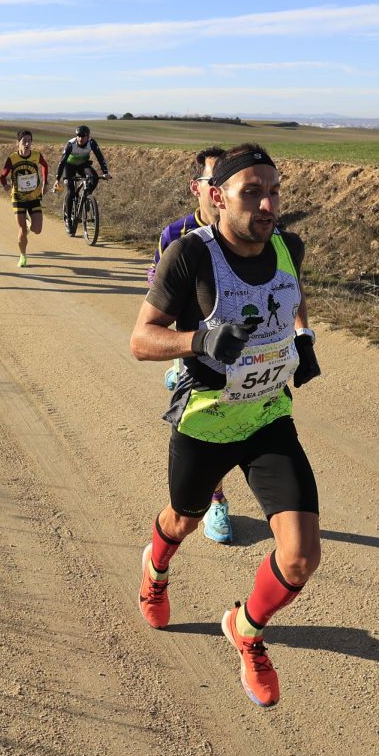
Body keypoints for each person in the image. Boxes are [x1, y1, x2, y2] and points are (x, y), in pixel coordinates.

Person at [129, 143, 323, 708]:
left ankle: (247, 629)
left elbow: (293, 294)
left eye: (274, 191)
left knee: (300, 557)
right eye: (252, 192)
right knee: (183, 521)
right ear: (217, 197)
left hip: (267, 416)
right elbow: (141, 339)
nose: (267, 204)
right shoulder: (190, 255)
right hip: (205, 421)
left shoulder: (288, 245)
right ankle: (156, 565)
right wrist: (199, 340)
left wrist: (303, 338)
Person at [150, 146, 238, 543]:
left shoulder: (247, 231)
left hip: (243, 352)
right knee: (211, 425)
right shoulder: (175, 234)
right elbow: (158, 298)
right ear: (197, 188)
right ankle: (215, 499)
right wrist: (182, 349)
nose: (221, 189)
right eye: (214, 180)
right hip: (196, 349)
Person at [0, 130, 49, 267]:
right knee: (21, 230)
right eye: (24, 141)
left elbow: (44, 165)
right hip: (18, 198)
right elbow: (2, 175)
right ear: (18, 143)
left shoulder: (37, 156)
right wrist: (5, 185)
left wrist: (45, 183)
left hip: (34, 197)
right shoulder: (13, 158)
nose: (27, 144)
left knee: (37, 229)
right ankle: (23, 255)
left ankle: (28, 223)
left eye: (29, 141)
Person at [54, 124, 110, 232]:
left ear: (88, 136)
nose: (80, 138)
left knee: (94, 177)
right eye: (78, 136)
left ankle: (86, 197)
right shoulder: (71, 144)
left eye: (83, 136)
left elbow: (100, 157)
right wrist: (57, 178)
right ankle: (69, 220)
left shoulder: (91, 143)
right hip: (69, 167)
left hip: (82, 166)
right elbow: (62, 162)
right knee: (71, 192)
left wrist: (105, 172)